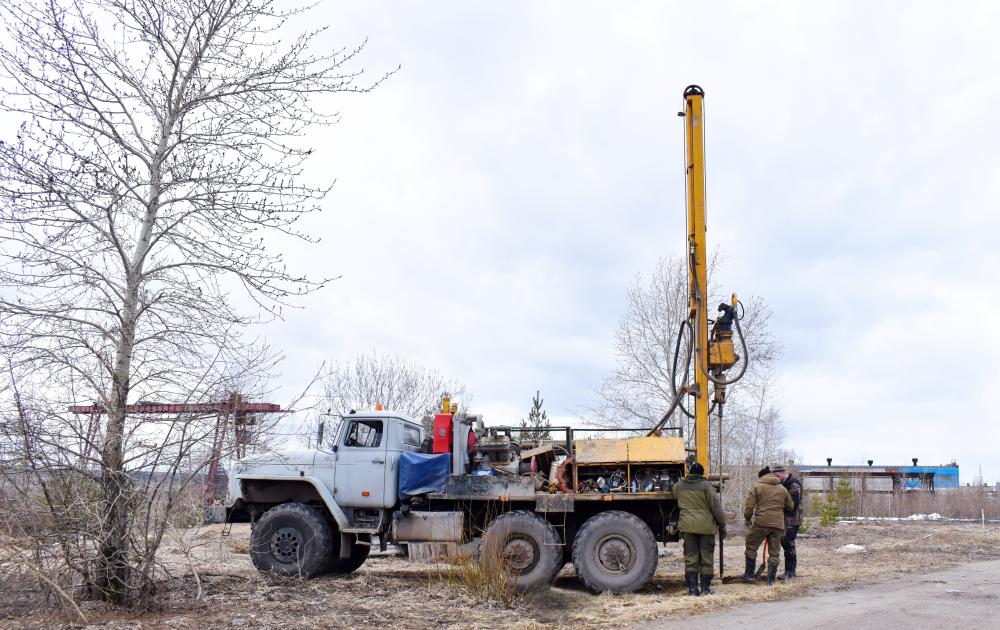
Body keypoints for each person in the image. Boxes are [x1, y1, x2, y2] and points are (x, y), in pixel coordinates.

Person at [673, 462, 727, 596]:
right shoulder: (706, 486)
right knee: (706, 558)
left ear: (690, 472)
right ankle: (705, 589)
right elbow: (716, 507)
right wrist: (722, 525)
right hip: (706, 527)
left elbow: (674, 495)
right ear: (702, 474)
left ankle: (692, 590)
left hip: (688, 527)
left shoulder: (679, 486)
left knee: (690, 558)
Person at [741, 466, 793, 585]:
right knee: (774, 552)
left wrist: (747, 518)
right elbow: (790, 506)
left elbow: (749, 506)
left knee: (751, 546)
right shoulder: (783, 489)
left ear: (761, 477)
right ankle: (771, 580)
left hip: (761, 523)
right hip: (778, 524)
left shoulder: (758, 486)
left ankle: (749, 575)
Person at [772, 464, 802, 579]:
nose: (776, 478)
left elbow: (792, 505)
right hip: (785, 518)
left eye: (777, 475)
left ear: (782, 473)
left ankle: (790, 572)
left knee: (788, 543)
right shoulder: (783, 484)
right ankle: (789, 571)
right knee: (785, 543)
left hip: (793, 519)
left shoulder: (793, 484)